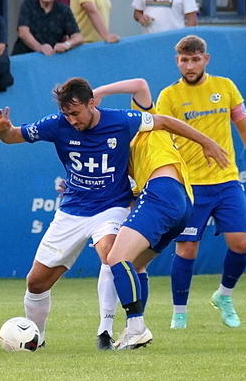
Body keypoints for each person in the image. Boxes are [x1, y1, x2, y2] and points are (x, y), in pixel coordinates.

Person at [0, 77, 227, 349]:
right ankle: (37, 339)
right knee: (36, 282)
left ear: (91, 104)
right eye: (67, 114)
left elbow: (164, 120)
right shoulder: (56, 124)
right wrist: (3, 131)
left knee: (112, 253)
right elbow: (13, 136)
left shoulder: (122, 120)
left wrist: (206, 142)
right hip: (72, 210)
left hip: (111, 207)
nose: (72, 120)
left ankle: (106, 332)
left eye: (76, 113)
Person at [158, 34, 246, 330]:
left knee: (241, 242)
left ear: (206, 59)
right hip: (190, 185)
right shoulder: (169, 96)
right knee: (187, 249)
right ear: (177, 62)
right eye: (184, 60)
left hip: (226, 180)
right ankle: (179, 314)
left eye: (195, 60)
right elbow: (161, 140)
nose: (190, 66)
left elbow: (245, 129)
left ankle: (224, 295)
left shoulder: (225, 87)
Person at [89, 78, 209, 350]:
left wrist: (99, 92)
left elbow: (140, 85)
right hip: (181, 203)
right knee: (135, 265)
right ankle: (133, 329)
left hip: (162, 191)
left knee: (116, 258)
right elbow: (129, 196)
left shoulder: (145, 123)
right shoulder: (125, 157)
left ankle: (137, 329)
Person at [12, 0, 83, 56]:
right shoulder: (28, 5)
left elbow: (78, 37)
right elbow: (23, 32)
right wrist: (40, 47)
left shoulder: (63, 10)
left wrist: (66, 44)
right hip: (25, 57)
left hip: (51, 59)